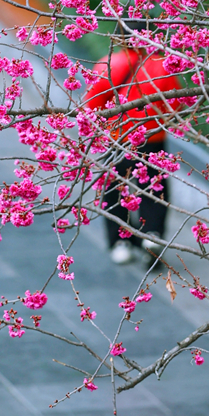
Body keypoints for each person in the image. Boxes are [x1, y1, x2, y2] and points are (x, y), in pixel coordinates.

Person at [84, 25, 182, 264]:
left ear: (119, 37)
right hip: (153, 138)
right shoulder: (163, 65)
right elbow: (177, 104)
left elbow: (92, 104)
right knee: (154, 188)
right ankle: (153, 234)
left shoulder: (109, 64)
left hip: (117, 138)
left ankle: (121, 242)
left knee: (114, 188)